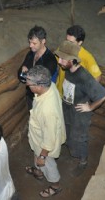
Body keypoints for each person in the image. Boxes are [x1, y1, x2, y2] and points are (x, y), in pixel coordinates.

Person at [54, 40, 105, 177]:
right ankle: (72, 149)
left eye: (63, 59)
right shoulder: (68, 69)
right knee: (68, 132)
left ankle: (83, 162)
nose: (59, 61)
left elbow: (104, 95)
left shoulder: (84, 77)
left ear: (73, 60)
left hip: (79, 115)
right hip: (68, 110)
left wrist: (90, 107)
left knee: (80, 138)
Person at [24, 65, 66, 198]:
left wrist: (43, 156)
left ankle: (55, 186)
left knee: (49, 166)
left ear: (40, 85)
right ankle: (38, 172)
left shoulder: (48, 110)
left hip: (45, 146)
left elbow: (49, 138)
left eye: (29, 83)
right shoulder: (50, 86)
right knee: (37, 157)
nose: (27, 85)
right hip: (39, 139)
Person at [18, 25, 58, 110]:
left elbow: (42, 83)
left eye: (34, 43)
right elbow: (20, 74)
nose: (30, 46)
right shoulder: (31, 54)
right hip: (30, 96)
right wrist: (25, 75)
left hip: (43, 100)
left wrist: (26, 75)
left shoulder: (50, 60)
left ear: (43, 41)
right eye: (30, 42)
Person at [56, 25, 102, 96]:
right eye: (66, 40)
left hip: (73, 97)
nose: (67, 44)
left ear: (80, 42)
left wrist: (87, 94)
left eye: (71, 42)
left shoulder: (87, 57)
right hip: (59, 92)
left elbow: (97, 76)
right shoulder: (62, 48)